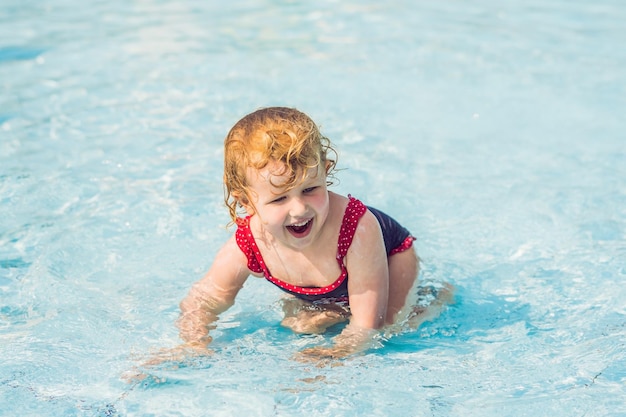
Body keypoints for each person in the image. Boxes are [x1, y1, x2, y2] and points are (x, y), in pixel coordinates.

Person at [176, 107, 451, 360]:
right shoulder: (249, 244)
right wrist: (194, 343)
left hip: (391, 259)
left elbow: (369, 323)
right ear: (245, 202)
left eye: (310, 189)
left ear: (325, 171)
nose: (299, 209)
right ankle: (334, 309)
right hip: (331, 289)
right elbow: (204, 299)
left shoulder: (357, 229)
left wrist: (335, 355)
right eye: (279, 199)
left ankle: (433, 297)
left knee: (393, 329)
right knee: (300, 325)